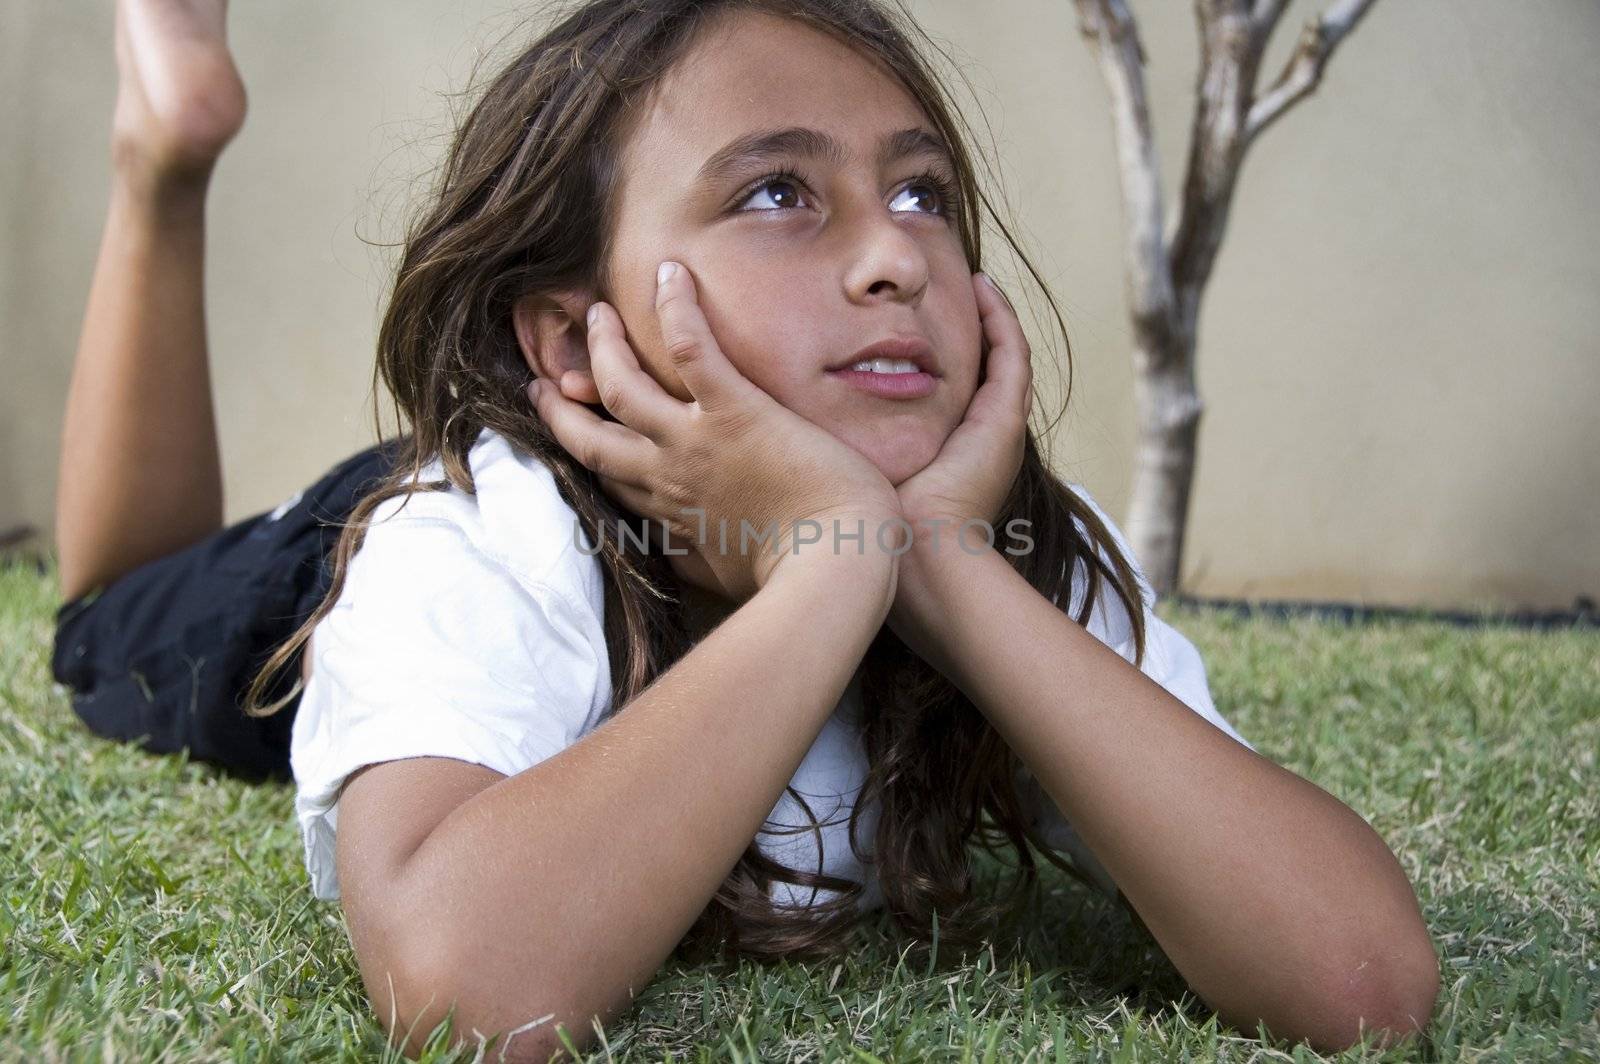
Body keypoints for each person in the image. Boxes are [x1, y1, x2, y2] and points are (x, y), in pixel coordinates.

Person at [50, 0, 1440, 1058]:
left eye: (922, 194)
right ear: (573, 334)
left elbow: (1364, 985)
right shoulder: (470, 541)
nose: (895, 254)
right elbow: (465, 998)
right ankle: (162, 155)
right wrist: (836, 559)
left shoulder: (1015, 548)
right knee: (109, 617)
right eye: (777, 192)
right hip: (356, 549)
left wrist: (932, 567)